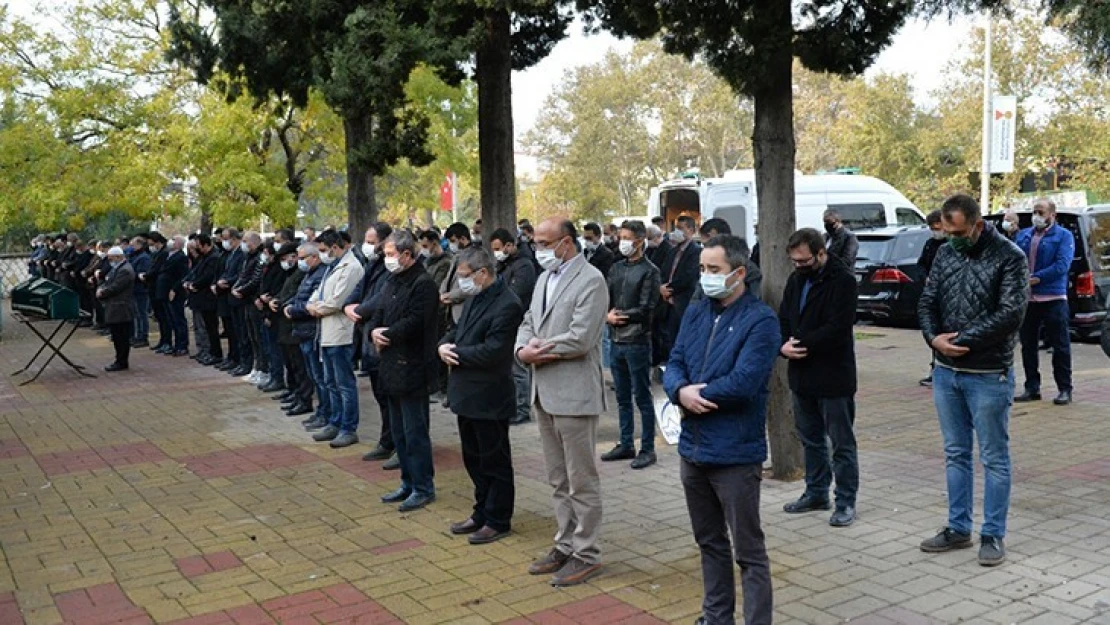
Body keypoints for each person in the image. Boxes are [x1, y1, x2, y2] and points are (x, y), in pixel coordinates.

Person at [663, 235, 779, 625]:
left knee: (748, 551)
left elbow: (746, 380)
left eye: (714, 270)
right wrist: (679, 391)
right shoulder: (697, 311)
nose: (706, 277)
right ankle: (716, 617)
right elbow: (675, 359)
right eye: (702, 270)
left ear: (739, 273)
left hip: (734, 453)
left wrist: (699, 396)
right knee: (709, 543)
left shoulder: (760, 320)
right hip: (693, 449)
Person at [918, 194, 1028, 567]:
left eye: (958, 231)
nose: (951, 238)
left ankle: (993, 533)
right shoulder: (946, 253)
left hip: (987, 373)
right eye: (947, 231)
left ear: (978, 225)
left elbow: (1010, 313)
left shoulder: (1010, 256)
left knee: (994, 457)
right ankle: (957, 527)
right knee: (955, 452)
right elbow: (927, 301)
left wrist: (959, 342)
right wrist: (934, 340)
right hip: (947, 372)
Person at [516, 217, 608, 587]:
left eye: (543, 242)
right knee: (558, 478)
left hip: (574, 394)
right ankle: (565, 543)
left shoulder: (592, 280)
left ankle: (586, 553)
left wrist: (538, 351)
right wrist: (523, 347)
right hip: (545, 392)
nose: (537, 249)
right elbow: (528, 320)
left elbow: (582, 338)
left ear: (566, 243)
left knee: (581, 480)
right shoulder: (544, 279)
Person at [439, 247, 524, 544]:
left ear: (482, 273)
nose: (460, 282)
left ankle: (498, 518)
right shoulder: (475, 297)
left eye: (463, 276)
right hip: (466, 393)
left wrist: (457, 353)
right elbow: (458, 330)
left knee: (494, 460)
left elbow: (494, 350)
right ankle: (481, 510)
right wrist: (445, 345)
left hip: (490, 395)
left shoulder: (507, 304)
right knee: (473, 457)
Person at [779, 228, 861, 527]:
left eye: (803, 261)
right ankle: (816, 492)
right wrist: (783, 345)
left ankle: (845, 501)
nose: (798, 266)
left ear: (821, 253)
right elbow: (785, 318)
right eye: (794, 261)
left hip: (833, 375)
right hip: (801, 375)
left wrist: (803, 344)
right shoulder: (795, 279)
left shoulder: (843, 281)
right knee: (811, 439)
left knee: (841, 443)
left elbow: (839, 327)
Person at [370, 230, 440, 512]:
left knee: (415, 432)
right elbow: (380, 308)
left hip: (413, 366)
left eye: (390, 255)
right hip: (390, 365)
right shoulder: (392, 280)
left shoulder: (423, 284)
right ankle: (407, 482)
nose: (388, 260)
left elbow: (417, 321)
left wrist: (388, 333)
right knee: (399, 432)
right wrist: (374, 330)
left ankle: (423, 486)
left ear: (407, 255)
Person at [600, 220, 661, 469]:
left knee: (642, 396)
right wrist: (607, 315)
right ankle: (626, 443)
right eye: (620, 236)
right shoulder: (615, 268)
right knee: (622, 397)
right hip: (616, 339)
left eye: (626, 237)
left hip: (637, 340)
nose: (621, 241)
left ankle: (648, 448)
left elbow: (647, 308)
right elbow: (605, 298)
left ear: (639, 240)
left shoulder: (650, 271)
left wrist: (618, 316)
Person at [346, 223, 398, 466]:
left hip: (383, 335)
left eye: (372, 240)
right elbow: (360, 288)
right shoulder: (373, 262)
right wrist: (349, 304)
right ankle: (387, 441)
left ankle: (397, 443)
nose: (368, 245)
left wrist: (360, 310)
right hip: (368, 336)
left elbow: (381, 297)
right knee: (380, 394)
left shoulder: (391, 267)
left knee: (392, 397)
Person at [307, 230, 365, 448]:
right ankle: (335, 421)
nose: (322, 254)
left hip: (341, 333)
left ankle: (348, 428)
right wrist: (312, 306)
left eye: (323, 250)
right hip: (326, 332)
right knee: (330, 381)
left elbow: (336, 301)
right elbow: (318, 294)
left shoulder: (351, 267)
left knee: (344, 383)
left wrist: (316, 308)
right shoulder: (331, 267)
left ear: (334, 246)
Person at [1015, 199, 1075, 406]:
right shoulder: (1024, 235)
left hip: (1053, 298)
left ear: (1052, 215)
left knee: (1060, 345)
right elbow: (1014, 260)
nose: (1037, 216)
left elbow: (1062, 265)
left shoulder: (1064, 236)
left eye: (1041, 212)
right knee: (1028, 345)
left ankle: (1064, 389)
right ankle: (1032, 387)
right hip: (1028, 299)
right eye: (1034, 212)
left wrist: (1036, 278)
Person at [490, 228, 538, 425]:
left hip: (518, 320)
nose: (496, 252)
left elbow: (516, 294)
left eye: (499, 248)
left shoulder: (524, 265)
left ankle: (521, 408)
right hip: (503, 321)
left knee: (518, 369)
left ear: (510, 245)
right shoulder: (502, 265)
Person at [285, 245, 328, 420]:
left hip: (311, 330)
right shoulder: (308, 274)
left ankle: (326, 413)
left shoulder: (320, 274)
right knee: (313, 374)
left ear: (314, 257)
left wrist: (293, 310)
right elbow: (299, 297)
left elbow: (312, 303)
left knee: (320, 377)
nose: (300, 262)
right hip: (302, 330)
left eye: (303, 258)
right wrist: (287, 305)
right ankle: (322, 412)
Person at [660, 215, 702, 358]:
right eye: (675, 228)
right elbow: (664, 271)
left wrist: (670, 289)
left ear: (690, 230)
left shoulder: (696, 252)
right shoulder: (672, 251)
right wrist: (662, 287)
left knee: (685, 340)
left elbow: (689, 277)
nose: (676, 232)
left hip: (683, 301)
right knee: (671, 340)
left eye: (680, 228)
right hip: (668, 304)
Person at [917, 211, 946, 387]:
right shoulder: (930, 244)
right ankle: (934, 369)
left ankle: (942, 369)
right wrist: (925, 277)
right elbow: (921, 265)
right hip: (932, 293)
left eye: (937, 227)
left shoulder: (951, 244)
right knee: (934, 331)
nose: (935, 231)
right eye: (932, 228)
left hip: (946, 294)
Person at [232, 232, 267, 383]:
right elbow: (243, 275)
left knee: (259, 338)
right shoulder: (249, 258)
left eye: (246, 241)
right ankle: (257, 367)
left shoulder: (260, 257)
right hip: (247, 301)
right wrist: (236, 287)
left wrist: (241, 290)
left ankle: (263, 369)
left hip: (255, 301)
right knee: (252, 337)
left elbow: (256, 279)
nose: (244, 245)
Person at [96, 247, 137, 372]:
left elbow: (116, 286)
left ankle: (121, 361)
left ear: (119, 257)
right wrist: (102, 288)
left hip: (121, 306)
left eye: (111, 258)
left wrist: (103, 292)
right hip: (115, 305)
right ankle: (119, 359)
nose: (110, 261)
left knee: (121, 337)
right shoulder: (118, 268)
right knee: (117, 335)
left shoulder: (125, 270)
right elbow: (108, 280)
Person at [698, 219, 762, 298]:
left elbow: (753, 299)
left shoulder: (751, 271)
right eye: (702, 269)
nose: (707, 274)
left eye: (715, 270)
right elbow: (696, 298)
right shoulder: (699, 307)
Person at [184, 235, 223, 366]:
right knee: (204, 326)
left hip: (208, 298)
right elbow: (196, 272)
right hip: (200, 297)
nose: (196, 249)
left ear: (205, 245)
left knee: (210, 328)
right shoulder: (204, 257)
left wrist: (195, 285)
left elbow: (207, 276)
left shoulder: (213, 257)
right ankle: (210, 352)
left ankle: (215, 353)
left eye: (198, 246)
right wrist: (189, 282)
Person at [216, 228, 247, 373]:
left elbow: (240, 274)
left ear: (234, 239)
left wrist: (227, 281)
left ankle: (240, 359)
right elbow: (227, 271)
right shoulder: (230, 254)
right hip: (228, 296)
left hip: (236, 295)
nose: (223, 242)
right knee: (231, 330)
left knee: (239, 331)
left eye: (225, 238)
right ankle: (233, 357)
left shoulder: (241, 254)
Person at [159, 236, 190, 357]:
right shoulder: (169, 255)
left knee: (178, 319)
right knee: (172, 319)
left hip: (175, 292)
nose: (170, 241)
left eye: (173, 239)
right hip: (166, 291)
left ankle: (182, 345)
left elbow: (182, 275)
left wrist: (174, 289)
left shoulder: (181, 257)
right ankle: (176, 344)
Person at [440, 222, 475, 324]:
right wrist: (442, 292)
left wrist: (450, 296)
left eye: (453, 241)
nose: (451, 245)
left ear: (463, 239)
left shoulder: (474, 256)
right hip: (452, 313)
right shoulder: (456, 256)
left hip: (465, 311)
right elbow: (448, 278)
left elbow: (471, 285)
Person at [128, 237, 152, 348]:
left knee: (141, 314)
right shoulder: (135, 256)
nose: (131, 247)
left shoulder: (144, 258)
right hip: (134, 289)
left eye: (133, 245)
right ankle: (137, 335)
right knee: (136, 314)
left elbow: (141, 273)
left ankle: (143, 336)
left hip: (140, 289)